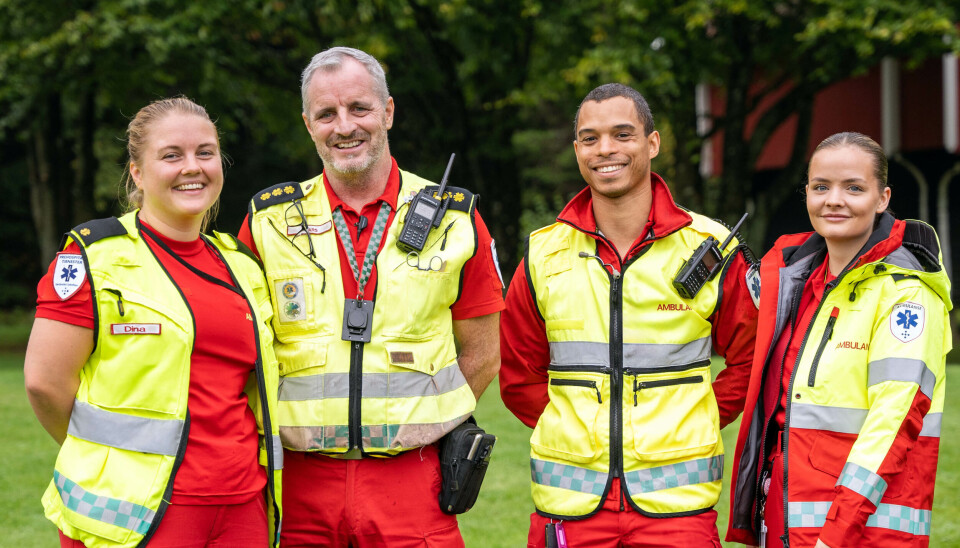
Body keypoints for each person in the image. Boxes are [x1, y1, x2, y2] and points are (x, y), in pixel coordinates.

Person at [237, 46, 504, 547]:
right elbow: (240, 351)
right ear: (307, 124)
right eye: (326, 114)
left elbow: (485, 352)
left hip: (415, 481)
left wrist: (422, 421)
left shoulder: (455, 221)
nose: (344, 126)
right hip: (299, 483)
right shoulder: (267, 222)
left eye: (359, 108)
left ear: (388, 112)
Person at [499, 83, 760, 547]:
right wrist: (575, 431)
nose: (606, 150)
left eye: (623, 134)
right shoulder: (542, 253)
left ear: (652, 143)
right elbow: (518, 373)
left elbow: (751, 361)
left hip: (677, 510)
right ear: (577, 148)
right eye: (591, 138)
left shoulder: (712, 248)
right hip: (570, 505)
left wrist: (693, 418)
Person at [24, 97, 282, 548]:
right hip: (138, 512)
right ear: (138, 173)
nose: (192, 167)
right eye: (171, 155)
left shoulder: (241, 264)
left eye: (205, 152)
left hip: (242, 504)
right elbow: (44, 383)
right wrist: (100, 458)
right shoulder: (93, 258)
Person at [726, 132, 951, 547]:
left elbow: (894, 422)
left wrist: (837, 533)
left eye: (854, 188)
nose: (834, 200)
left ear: (882, 198)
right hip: (783, 522)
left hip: (861, 532)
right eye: (820, 187)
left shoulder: (907, 293)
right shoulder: (796, 283)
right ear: (806, 194)